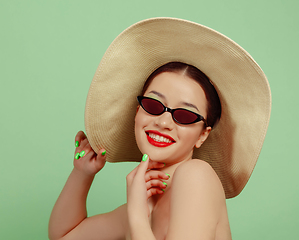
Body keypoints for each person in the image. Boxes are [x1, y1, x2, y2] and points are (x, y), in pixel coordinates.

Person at [48, 18, 271, 240]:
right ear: (137, 111)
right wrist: (82, 174)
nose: (163, 123)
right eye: (154, 105)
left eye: (184, 115)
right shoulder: (143, 203)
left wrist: (136, 214)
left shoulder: (196, 176)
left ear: (203, 134)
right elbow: (63, 236)